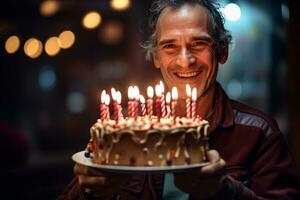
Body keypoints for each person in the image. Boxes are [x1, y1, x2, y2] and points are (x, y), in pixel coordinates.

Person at [58, 0, 300, 199]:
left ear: (222, 50)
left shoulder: (258, 133)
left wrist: (225, 191)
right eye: (170, 46)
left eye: (199, 44)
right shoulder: (123, 132)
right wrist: (89, 191)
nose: (185, 60)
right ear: (155, 57)